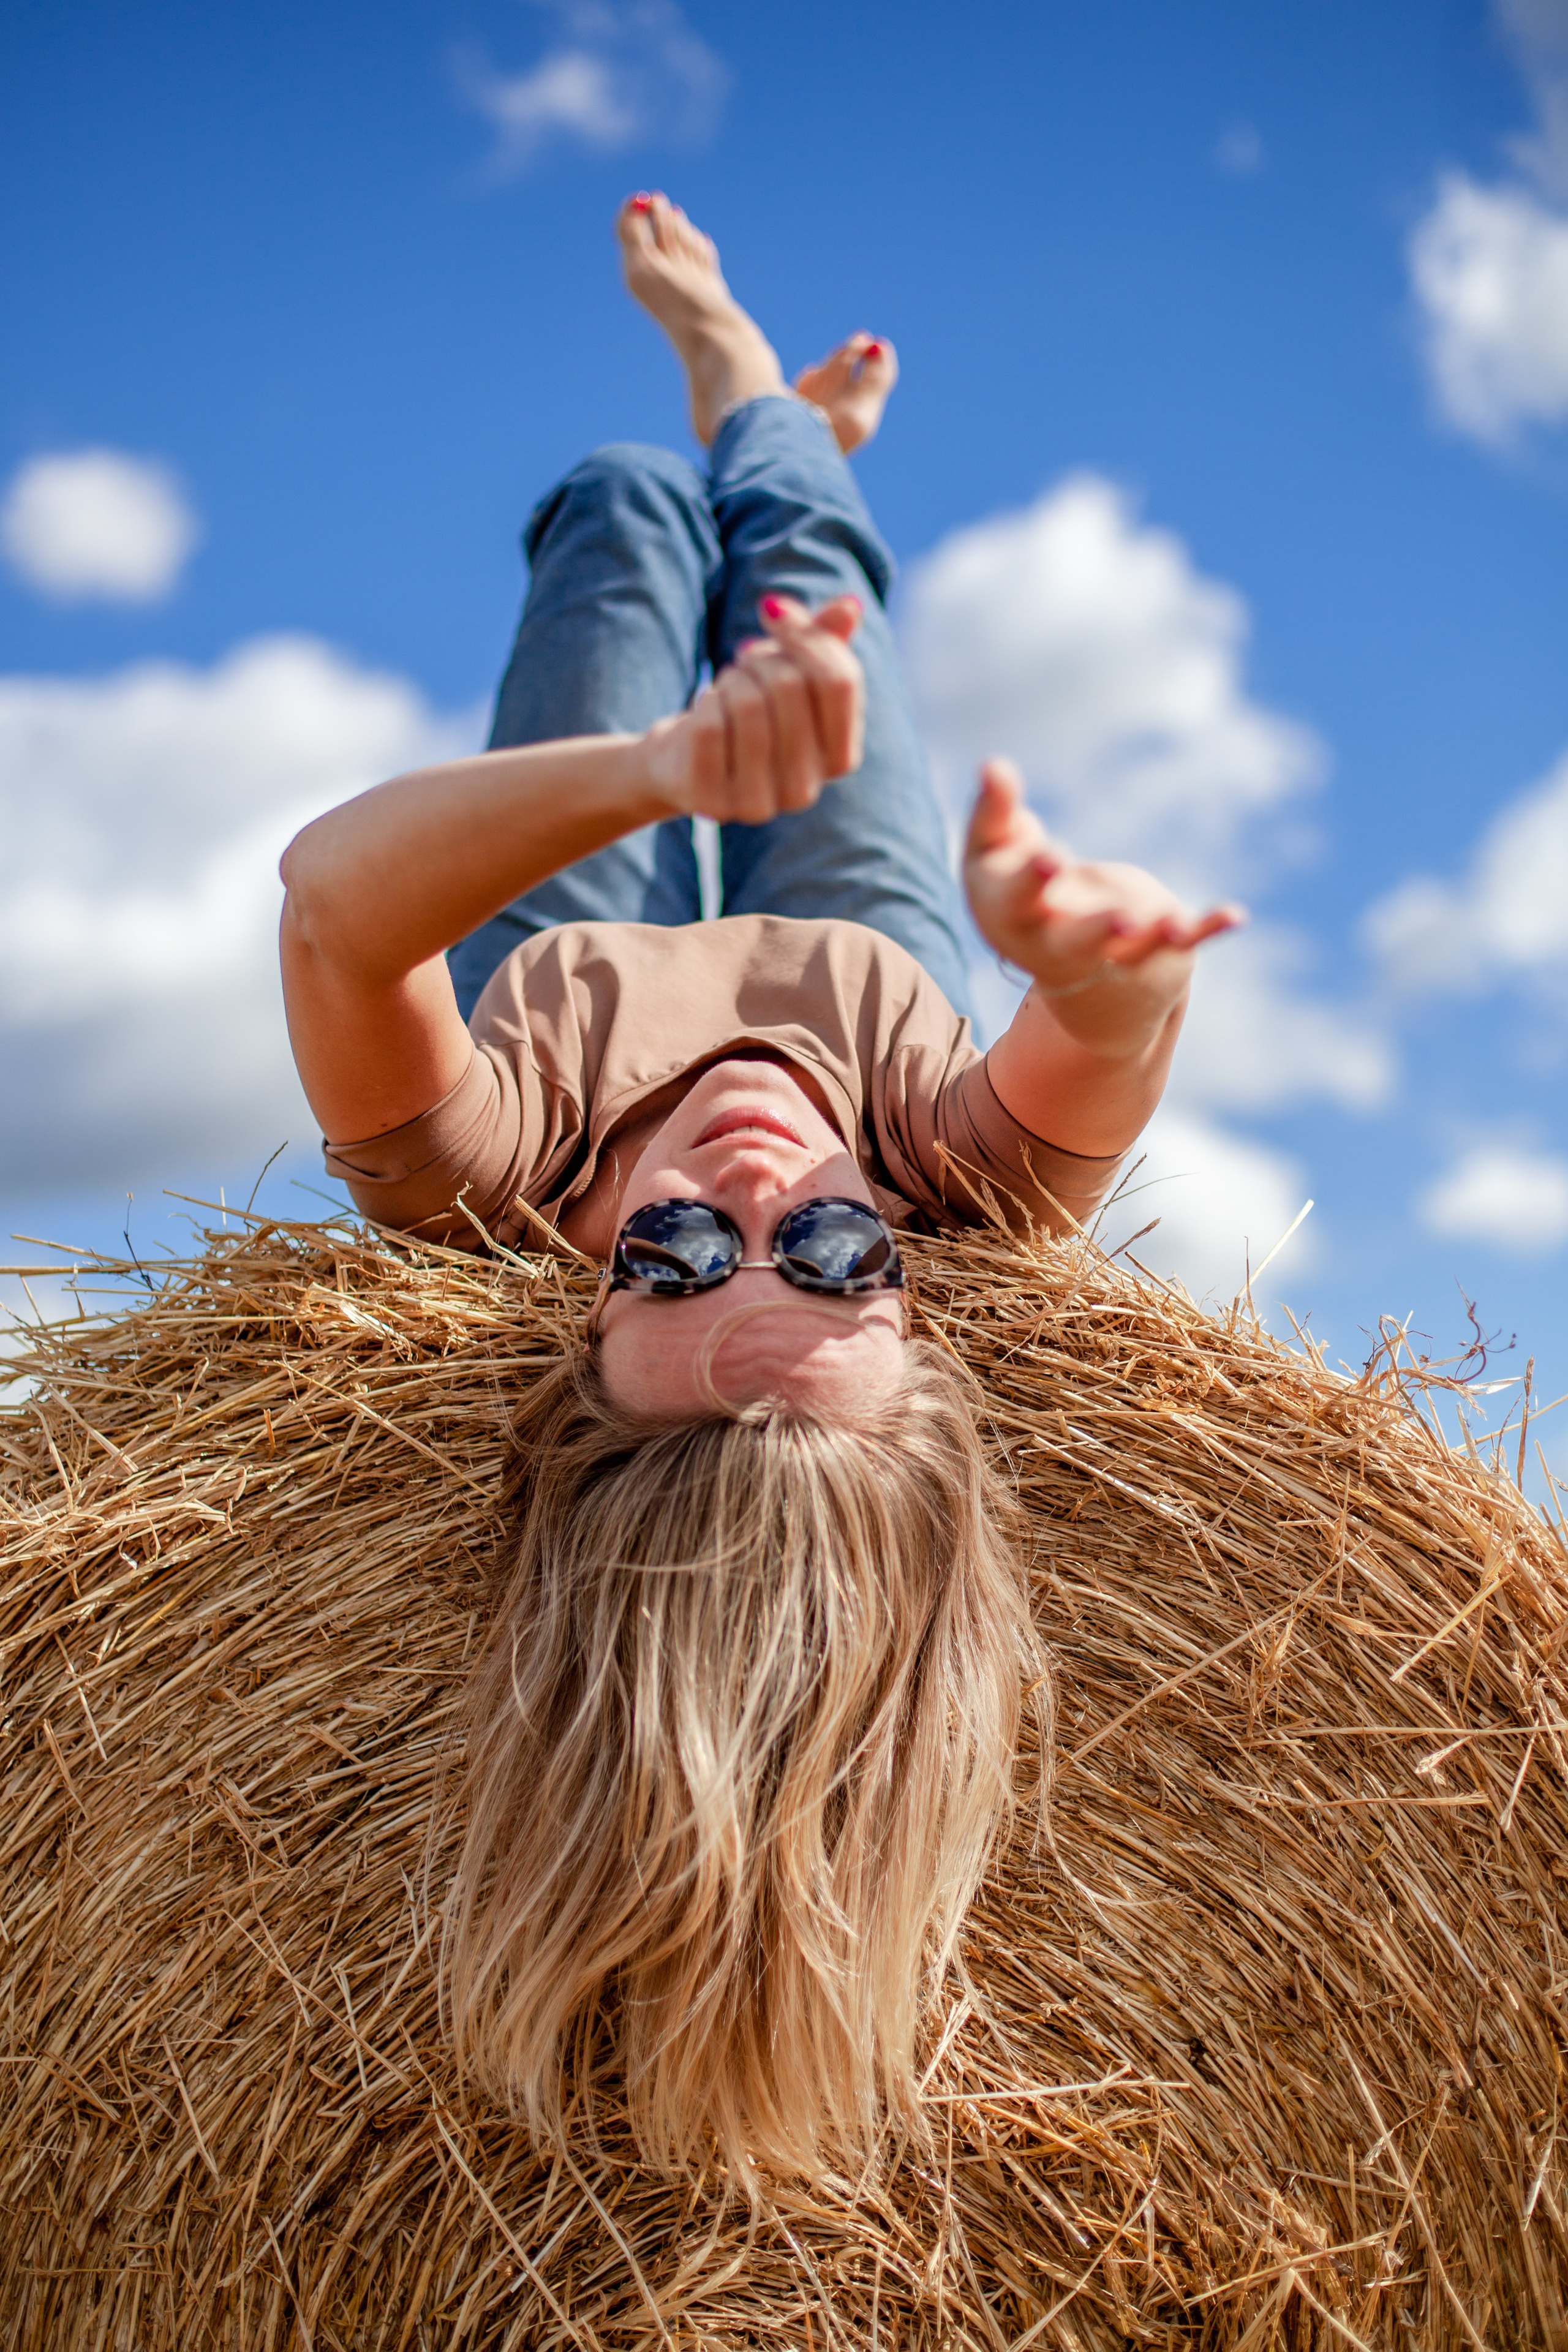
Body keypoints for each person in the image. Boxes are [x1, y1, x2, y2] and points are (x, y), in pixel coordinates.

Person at [277, 194, 1240, 2187]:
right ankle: (751, 388)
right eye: (829, 1254)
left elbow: (332, 914)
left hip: (577, 892)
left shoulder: (488, 1179)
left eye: (678, 1262)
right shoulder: (957, 1174)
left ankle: (707, 423)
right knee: (808, 591)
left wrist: (658, 777)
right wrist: (1096, 959)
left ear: (582, 1313)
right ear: (912, 1285)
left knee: (624, 511)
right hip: (870, 933)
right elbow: (1109, 1041)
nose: (750, 1189)